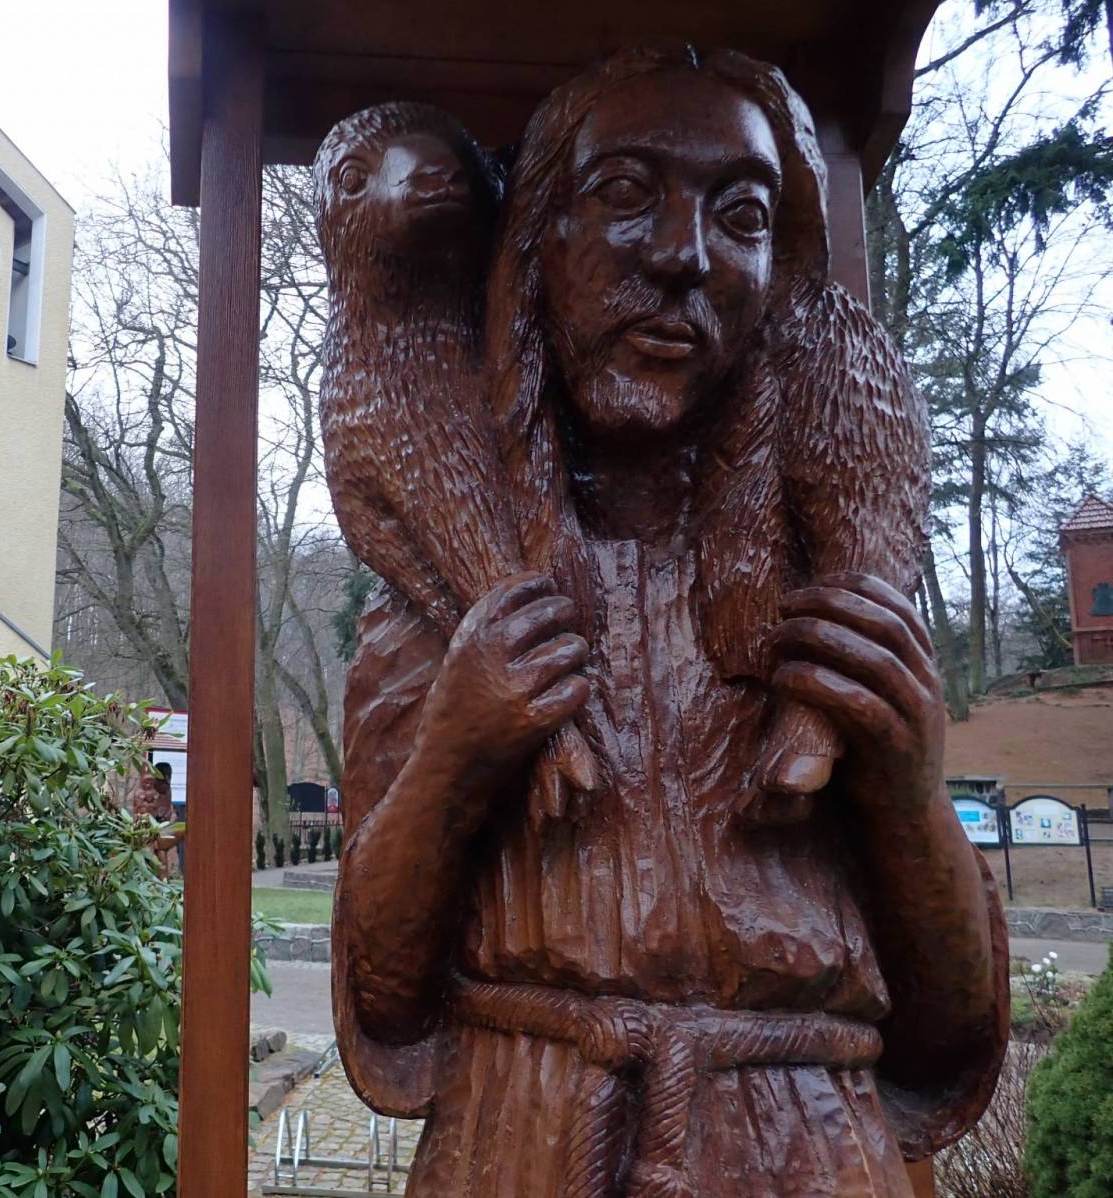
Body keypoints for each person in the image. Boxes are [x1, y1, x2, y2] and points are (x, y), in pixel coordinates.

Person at [332, 46, 1006, 1198]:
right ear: (537, 242)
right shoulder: (443, 612)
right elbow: (384, 1005)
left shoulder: (833, 608)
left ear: (779, 272)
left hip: (807, 1152)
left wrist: (903, 791)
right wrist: (456, 754)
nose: (683, 255)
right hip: (525, 1142)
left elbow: (949, 1035)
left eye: (740, 214)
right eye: (626, 193)